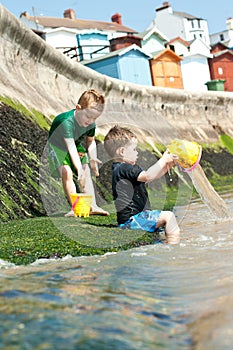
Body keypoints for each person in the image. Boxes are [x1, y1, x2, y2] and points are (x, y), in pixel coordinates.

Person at [104, 125, 180, 244]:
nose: (137, 153)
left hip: (133, 220)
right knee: (169, 216)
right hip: (133, 220)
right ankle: (173, 246)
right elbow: (148, 176)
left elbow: (151, 177)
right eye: (134, 149)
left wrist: (168, 165)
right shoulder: (124, 167)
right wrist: (164, 159)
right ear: (122, 151)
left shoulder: (121, 169)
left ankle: (168, 242)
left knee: (166, 223)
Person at [48, 89, 109, 217]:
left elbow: (90, 142)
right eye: (88, 116)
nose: (90, 121)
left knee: (86, 171)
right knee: (67, 172)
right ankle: (74, 207)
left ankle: (93, 205)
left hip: (75, 144)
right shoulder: (66, 122)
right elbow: (70, 148)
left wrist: (93, 158)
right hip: (58, 146)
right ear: (78, 108)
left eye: (94, 118)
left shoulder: (90, 123)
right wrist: (78, 169)